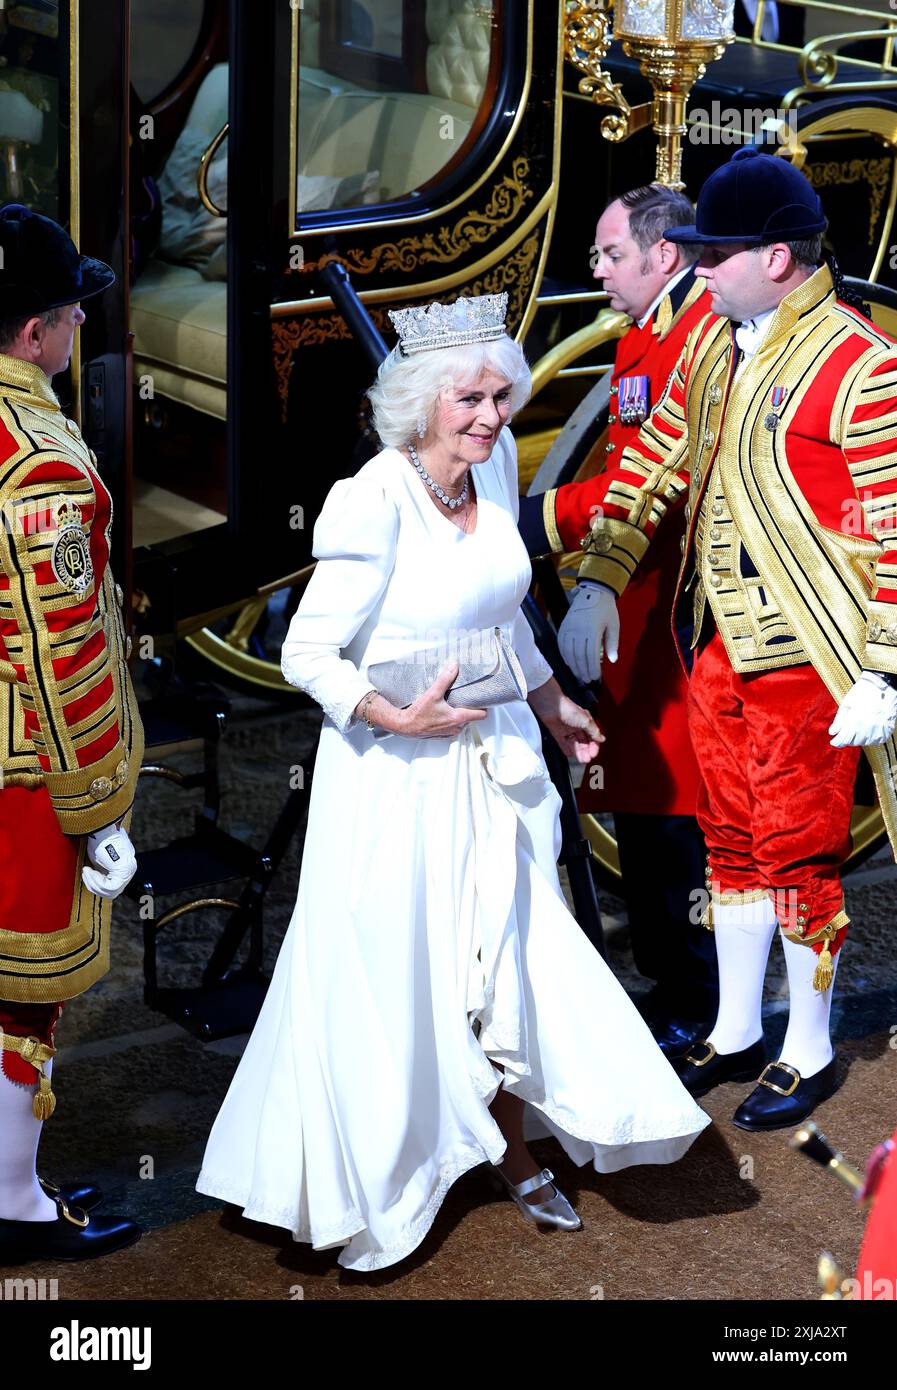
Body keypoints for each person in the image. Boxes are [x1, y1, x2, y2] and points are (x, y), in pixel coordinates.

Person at [196, 293, 710, 1272]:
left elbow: (504, 617)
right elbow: (308, 652)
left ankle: (511, 1147)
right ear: (420, 402)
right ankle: (383, 1171)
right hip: (393, 767)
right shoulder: (371, 499)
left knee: (515, 951)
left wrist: (556, 705)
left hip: (499, 748)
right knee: (397, 972)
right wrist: (397, 715)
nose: (489, 417)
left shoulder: (497, 465)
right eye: (468, 400)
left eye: (500, 397)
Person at [563, 146, 897, 1132]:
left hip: (809, 658)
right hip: (719, 645)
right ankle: (738, 1024)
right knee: (733, 844)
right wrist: (598, 582)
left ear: (781, 258)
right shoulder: (718, 337)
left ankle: (810, 1044)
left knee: (799, 855)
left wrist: (882, 664)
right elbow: (653, 466)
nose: (695, 268)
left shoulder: (862, 365)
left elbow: (891, 524)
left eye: (717, 253)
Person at [520, 184, 719, 1058]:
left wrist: (539, 522)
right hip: (635, 598)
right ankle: (672, 984)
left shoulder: (693, 338)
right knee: (643, 806)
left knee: (673, 813)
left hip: (683, 609)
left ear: (662, 254)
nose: (594, 268)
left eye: (607, 254)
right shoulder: (651, 333)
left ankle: (701, 1001)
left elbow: (653, 480)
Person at [0, 205, 144, 1262]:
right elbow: (66, 658)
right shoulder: (37, 454)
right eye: (69, 314)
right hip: (21, 771)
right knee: (22, 993)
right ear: (38, 334)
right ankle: (12, 1199)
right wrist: (94, 800)